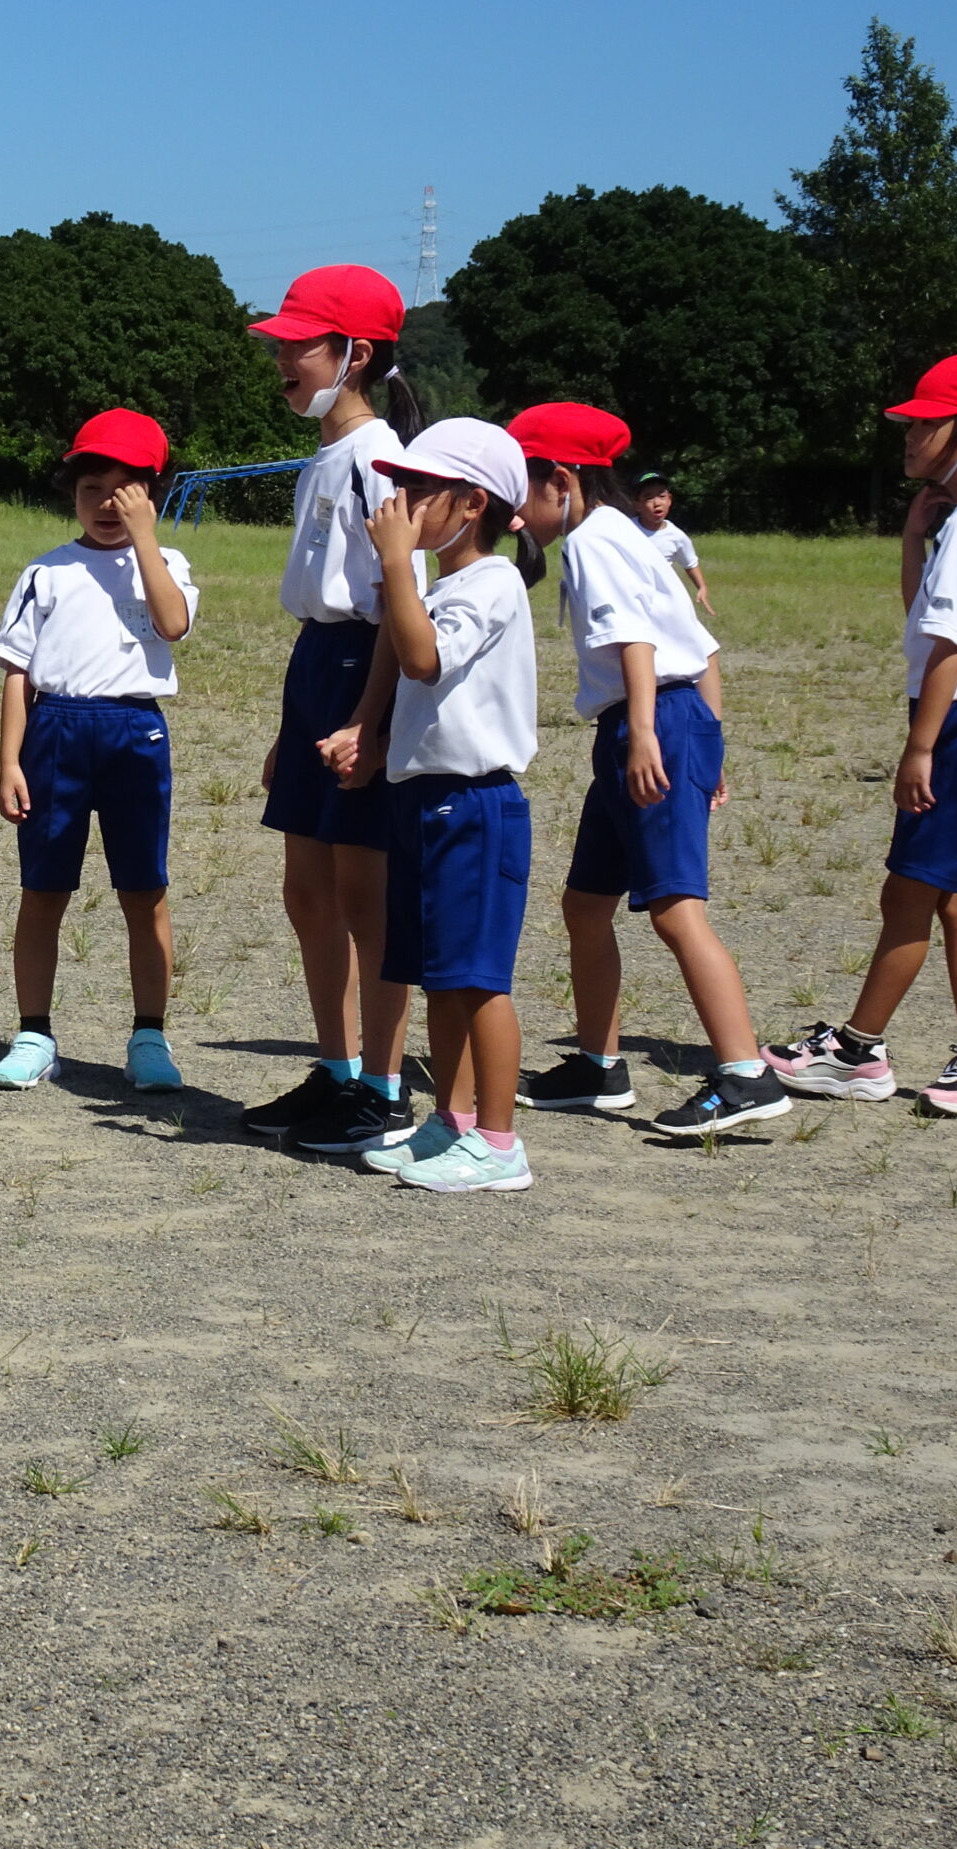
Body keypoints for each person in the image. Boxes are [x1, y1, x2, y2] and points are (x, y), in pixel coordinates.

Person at [766, 351, 957, 1116]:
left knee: (907, 895)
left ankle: (856, 1051)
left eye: (927, 424)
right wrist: (911, 542)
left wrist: (920, 746)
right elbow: (926, 627)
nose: (909, 434)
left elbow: (951, 650)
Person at [509, 404, 789, 1137]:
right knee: (585, 904)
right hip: (654, 722)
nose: (514, 509)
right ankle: (598, 1067)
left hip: (651, 723)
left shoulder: (594, 542)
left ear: (561, 480)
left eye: (519, 488)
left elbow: (638, 641)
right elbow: (705, 648)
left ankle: (746, 1073)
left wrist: (644, 736)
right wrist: (707, 742)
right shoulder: (624, 536)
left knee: (675, 908)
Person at [322, 419, 540, 1193]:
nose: (403, 502)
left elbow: (422, 659)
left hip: (474, 807)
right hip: (425, 802)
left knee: (478, 980)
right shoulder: (445, 586)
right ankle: (453, 1120)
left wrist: (395, 564)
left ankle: (500, 1142)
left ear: (472, 504)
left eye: (420, 489)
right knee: (441, 975)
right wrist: (375, 741)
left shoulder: (492, 583)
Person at [242, 265, 429, 1156]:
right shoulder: (323, 457)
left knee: (366, 893)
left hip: (366, 667)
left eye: (299, 346)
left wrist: (371, 720)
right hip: (318, 664)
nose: (283, 361)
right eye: (278, 346)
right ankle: (336, 1067)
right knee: (307, 889)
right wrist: (294, 729)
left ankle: (385, 1090)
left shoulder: (380, 461)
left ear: (355, 356)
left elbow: (398, 603)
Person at [0, 409, 197, 1094]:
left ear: (152, 494)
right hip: (57, 733)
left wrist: (145, 539)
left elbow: (173, 623)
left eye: (123, 491)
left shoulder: (166, 565)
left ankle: (149, 1037)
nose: (106, 505)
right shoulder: (46, 571)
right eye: (91, 489)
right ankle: (34, 1034)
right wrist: (9, 761)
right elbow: (19, 672)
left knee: (145, 891)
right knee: (43, 889)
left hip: (134, 732)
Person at [633, 473, 715, 618]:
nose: (657, 503)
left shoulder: (676, 536)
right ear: (637, 504)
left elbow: (690, 564)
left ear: (669, 500)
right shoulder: (625, 528)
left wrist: (702, 587)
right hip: (631, 594)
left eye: (662, 496)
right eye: (648, 497)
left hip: (659, 598)